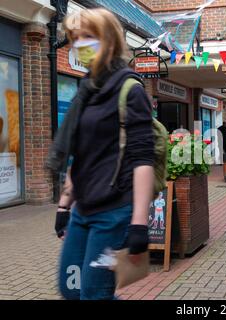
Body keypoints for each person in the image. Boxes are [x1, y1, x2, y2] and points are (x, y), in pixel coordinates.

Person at [51, 8, 155, 300]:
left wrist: (139, 223)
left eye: (87, 37)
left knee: (94, 295)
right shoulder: (86, 89)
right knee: (71, 289)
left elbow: (142, 159)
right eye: (74, 38)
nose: (78, 45)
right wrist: (63, 206)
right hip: (82, 210)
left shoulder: (129, 89)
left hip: (114, 212)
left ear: (108, 40)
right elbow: (81, 155)